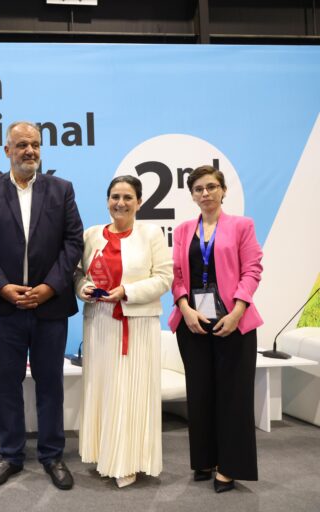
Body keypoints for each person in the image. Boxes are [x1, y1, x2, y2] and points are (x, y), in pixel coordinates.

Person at [0, 121, 83, 490]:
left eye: (34, 144)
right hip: (4, 308)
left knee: (50, 383)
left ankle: (52, 455)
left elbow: (73, 242)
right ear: (7, 151)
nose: (29, 151)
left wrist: (50, 287)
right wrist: (2, 287)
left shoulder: (61, 189)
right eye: (21, 145)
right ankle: (10, 455)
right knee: (6, 384)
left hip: (50, 308)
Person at [169, 164, 263, 493]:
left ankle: (230, 466)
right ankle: (205, 460)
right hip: (193, 322)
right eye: (198, 189)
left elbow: (252, 270)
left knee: (233, 396)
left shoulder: (241, 226)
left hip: (233, 322)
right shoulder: (183, 230)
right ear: (192, 195)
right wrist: (185, 309)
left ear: (223, 190)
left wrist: (238, 311)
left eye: (211, 187)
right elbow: (177, 275)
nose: (205, 193)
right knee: (200, 394)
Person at [74, 175, 172, 488]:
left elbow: (164, 278)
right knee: (104, 391)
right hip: (99, 323)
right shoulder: (91, 235)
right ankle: (106, 455)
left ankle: (129, 461)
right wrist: (84, 288)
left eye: (128, 197)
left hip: (137, 324)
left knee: (132, 393)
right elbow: (78, 274)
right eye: (115, 196)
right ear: (107, 201)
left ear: (139, 202)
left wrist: (126, 291)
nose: (121, 203)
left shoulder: (151, 234)